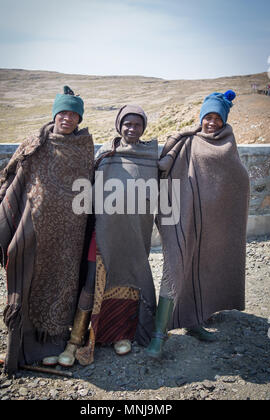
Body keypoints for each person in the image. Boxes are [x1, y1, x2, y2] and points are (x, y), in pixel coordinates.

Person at [0, 86, 94, 373]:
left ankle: (54, 345)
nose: (68, 118)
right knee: (29, 281)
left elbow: (88, 188)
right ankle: (19, 346)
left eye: (74, 114)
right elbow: (16, 173)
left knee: (62, 284)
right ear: (55, 114)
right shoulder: (36, 142)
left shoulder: (83, 147)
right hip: (35, 224)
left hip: (70, 233)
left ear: (79, 119)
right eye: (63, 112)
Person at [146, 90, 250, 359]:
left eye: (217, 118)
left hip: (211, 222)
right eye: (208, 117)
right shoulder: (187, 142)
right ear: (201, 118)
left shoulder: (229, 143)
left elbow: (236, 177)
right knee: (175, 267)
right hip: (181, 216)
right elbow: (166, 171)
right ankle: (159, 335)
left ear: (223, 120)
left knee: (201, 267)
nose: (212, 122)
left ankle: (193, 322)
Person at [61, 105, 158, 367]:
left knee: (126, 281)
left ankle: (119, 334)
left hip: (134, 234)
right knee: (91, 282)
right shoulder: (105, 154)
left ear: (143, 128)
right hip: (103, 230)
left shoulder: (152, 156)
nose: (132, 129)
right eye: (127, 124)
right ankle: (76, 339)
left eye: (137, 125)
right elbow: (84, 187)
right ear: (119, 126)